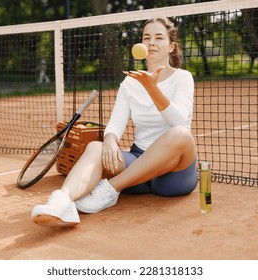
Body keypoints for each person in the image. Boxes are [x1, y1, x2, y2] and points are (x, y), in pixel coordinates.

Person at [31, 17, 198, 227]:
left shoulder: (183, 78)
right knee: (96, 147)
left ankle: (109, 189)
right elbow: (116, 122)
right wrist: (110, 140)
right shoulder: (130, 82)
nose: (151, 42)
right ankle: (62, 202)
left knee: (181, 134)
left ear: (171, 46)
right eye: (146, 37)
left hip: (174, 175)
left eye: (158, 37)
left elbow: (180, 121)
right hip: (138, 168)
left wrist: (152, 88)